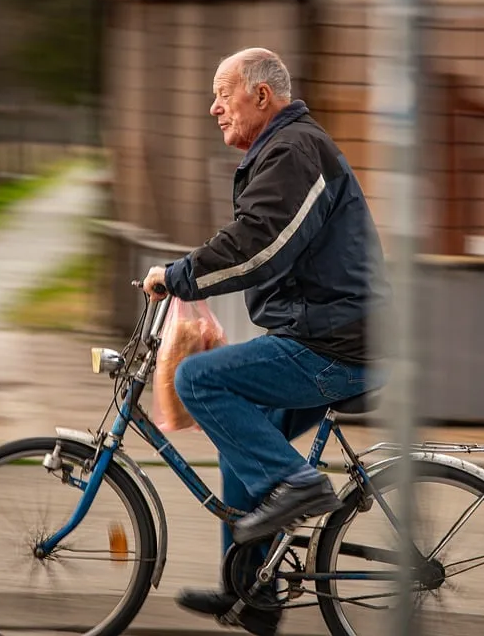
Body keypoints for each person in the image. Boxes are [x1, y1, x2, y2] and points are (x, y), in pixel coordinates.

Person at [141, 47, 391, 636]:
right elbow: (261, 242)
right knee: (239, 433)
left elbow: (260, 243)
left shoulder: (296, 149)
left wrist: (180, 274)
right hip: (326, 335)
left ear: (261, 95)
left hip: (338, 344)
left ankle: (299, 485)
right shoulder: (283, 150)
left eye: (223, 93)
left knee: (198, 379)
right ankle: (254, 594)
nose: (213, 108)